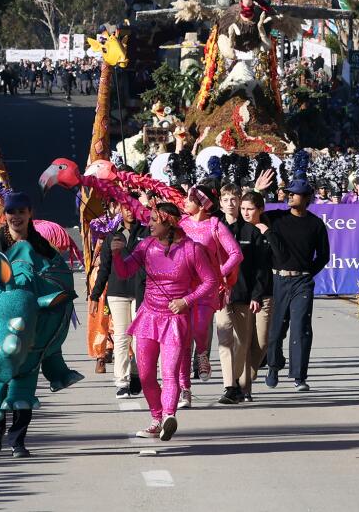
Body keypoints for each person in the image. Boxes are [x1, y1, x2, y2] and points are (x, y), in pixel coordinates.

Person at [0, 192, 73, 456]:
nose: (16, 217)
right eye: (11, 212)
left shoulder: (41, 247)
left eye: (21, 212)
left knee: (23, 384)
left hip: (30, 329)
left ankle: (18, 441)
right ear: (4, 216)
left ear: (30, 214)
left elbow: (60, 276)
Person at [111, 201, 217, 440]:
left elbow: (210, 282)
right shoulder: (147, 246)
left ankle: (169, 415)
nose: (148, 225)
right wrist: (117, 253)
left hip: (175, 320)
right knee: (146, 375)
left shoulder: (192, 249)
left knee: (169, 373)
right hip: (148, 317)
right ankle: (156, 419)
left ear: (168, 222)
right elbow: (125, 272)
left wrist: (186, 301)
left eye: (153, 220)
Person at [264, 180, 330, 392]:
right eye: (288, 193)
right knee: (276, 330)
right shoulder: (276, 217)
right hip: (278, 280)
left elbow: (323, 255)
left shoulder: (316, 224)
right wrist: (260, 190)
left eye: (295, 193)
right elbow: (253, 212)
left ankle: (299, 376)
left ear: (307, 197)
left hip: (302, 282)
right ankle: (274, 365)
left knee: (301, 329)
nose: (290, 196)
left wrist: (308, 271)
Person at [177, 185, 242, 379]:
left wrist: (217, 273)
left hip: (207, 288)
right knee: (183, 335)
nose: (184, 202)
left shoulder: (214, 225)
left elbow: (236, 254)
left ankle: (203, 355)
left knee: (200, 326)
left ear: (201, 204)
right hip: (182, 286)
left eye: (189, 199)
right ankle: (183, 383)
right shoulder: (180, 224)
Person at [215, 188, 272, 405]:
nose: (230, 203)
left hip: (244, 294)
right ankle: (230, 387)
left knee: (242, 342)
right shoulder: (213, 229)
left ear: (239, 202)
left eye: (234, 199)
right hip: (219, 295)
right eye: (226, 199)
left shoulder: (251, 232)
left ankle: (240, 385)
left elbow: (261, 268)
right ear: (220, 203)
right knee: (224, 338)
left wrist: (257, 295)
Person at [93, 204, 147, 398]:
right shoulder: (112, 236)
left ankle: (137, 373)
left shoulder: (148, 232)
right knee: (122, 338)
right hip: (117, 292)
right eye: (126, 208)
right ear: (120, 211)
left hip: (142, 292)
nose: (130, 211)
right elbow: (104, 268)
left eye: (133, 207)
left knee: (141, 338)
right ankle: (122, 382)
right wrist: (95, 294)